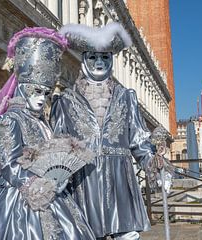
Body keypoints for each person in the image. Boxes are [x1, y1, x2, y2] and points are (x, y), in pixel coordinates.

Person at [0, 27, 95, 240]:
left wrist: (57, 180)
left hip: (51, 194)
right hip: (16, 195)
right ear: (22, 87)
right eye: (36, 91)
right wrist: (36, 184)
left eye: (46, 93)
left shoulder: (42, 122)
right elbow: (9, 164)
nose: (41, 98)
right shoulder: (9, 119)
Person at [50, 23, 162, 240]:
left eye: (105, 57)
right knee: (88, 234)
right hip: (83, 180)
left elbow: (139, 140)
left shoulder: (126, 97)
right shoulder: (65, 101)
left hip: (120, 178)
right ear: (84, 61)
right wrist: (57, 173)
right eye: (93, 57)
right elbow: (58, 142)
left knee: (127, 235)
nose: (99, 62)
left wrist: (153, 165)